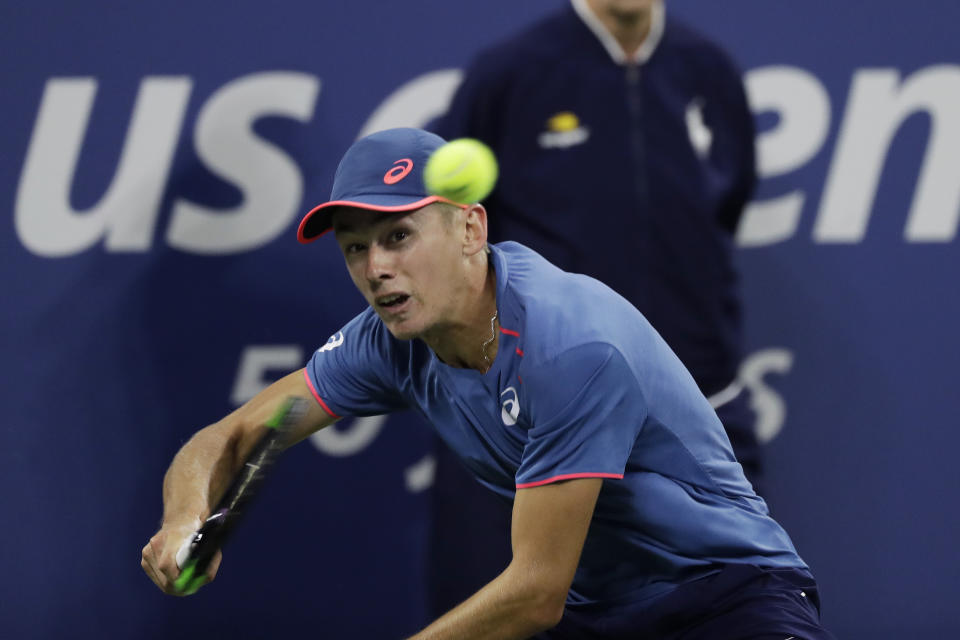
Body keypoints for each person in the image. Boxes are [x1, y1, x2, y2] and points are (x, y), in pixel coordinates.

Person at [141, 128, 832, 639]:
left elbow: (536, 593)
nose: (375, 268)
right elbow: (229, 437)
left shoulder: (570, 346)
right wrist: (182, 521)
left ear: (470, 228)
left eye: (398, 237)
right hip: (604, 615)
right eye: (356, 247)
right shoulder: (386, 343)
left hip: (732, 600)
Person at [428, 1, 762, 612]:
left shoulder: (708, 70)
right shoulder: (509, 73)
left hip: (697, 410)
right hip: (542, 421)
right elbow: (451, 249)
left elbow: (724, 210)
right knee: (520, 610)